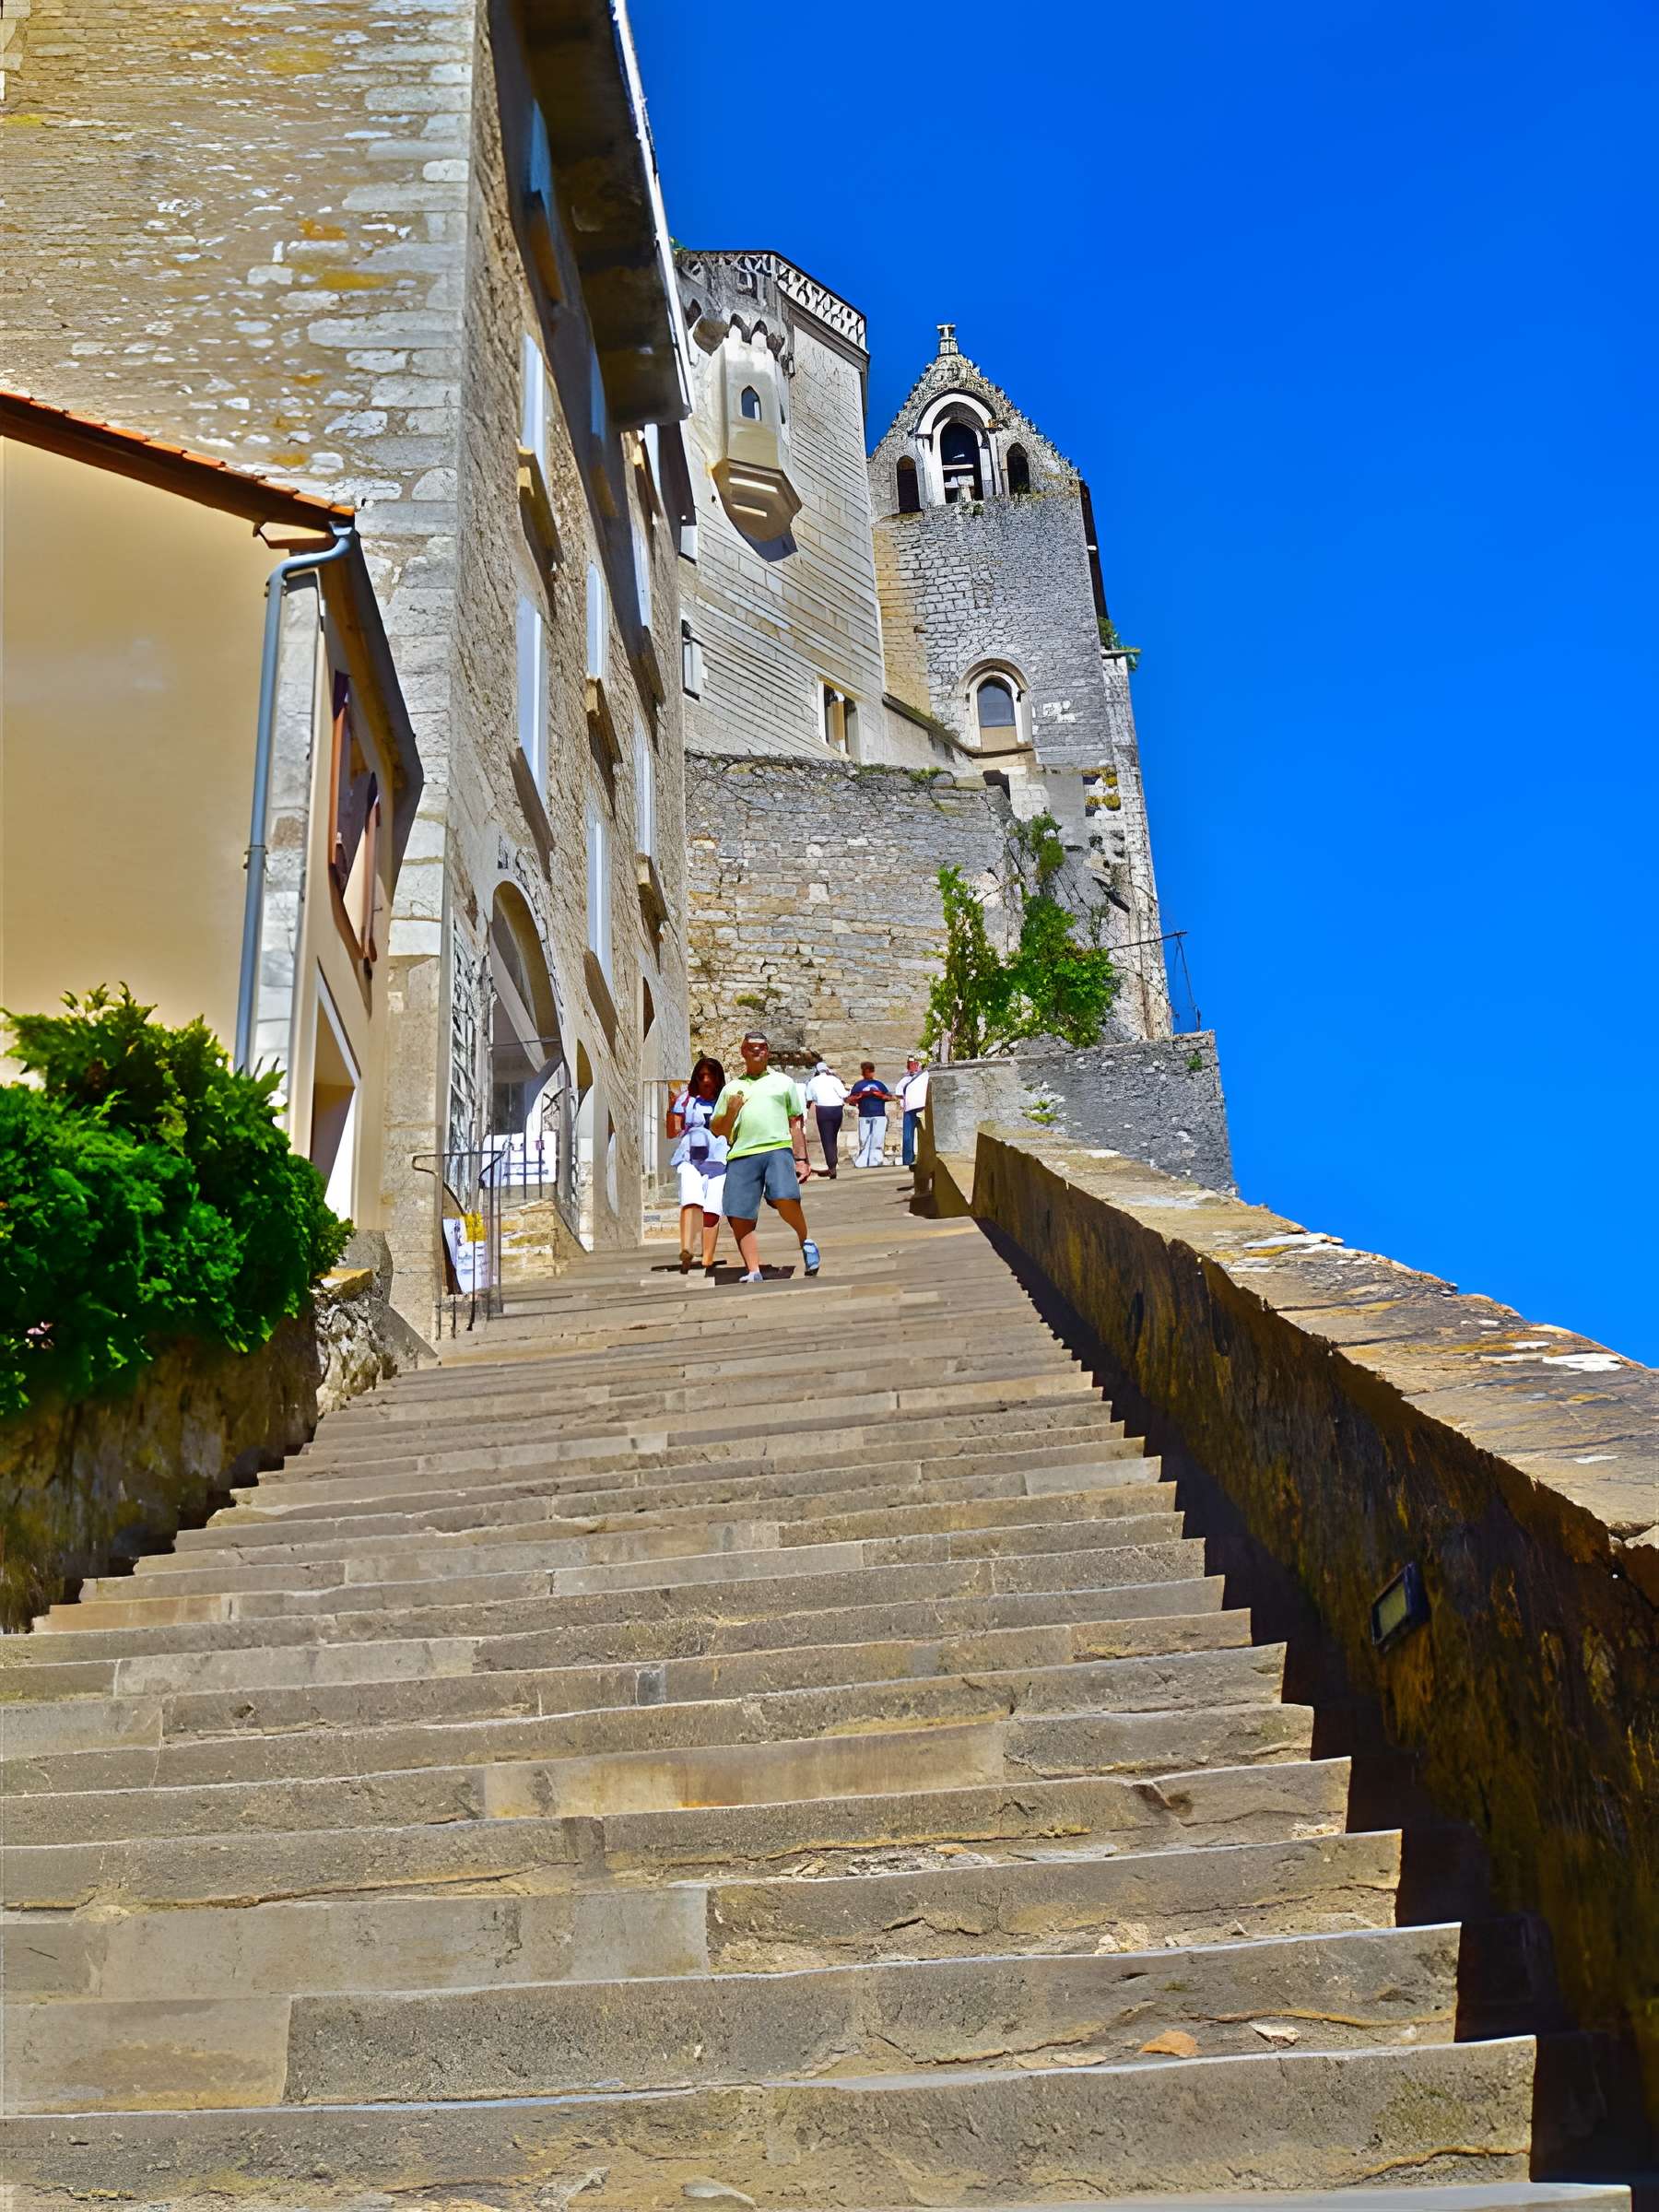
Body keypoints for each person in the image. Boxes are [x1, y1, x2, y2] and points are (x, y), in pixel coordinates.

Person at [710, 1030, 821, 1283]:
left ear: (768, 1052)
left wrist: (801, 1159)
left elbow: (795, 1121)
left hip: (777, 1147)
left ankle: (806, 1240)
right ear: (743, 1051)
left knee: (785, 1197)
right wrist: (732, 1110)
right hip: (742, 1152)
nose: (757, 1051)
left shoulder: (783, 1083)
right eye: (751, 1047)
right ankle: (753, 1270)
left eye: (762, 1047)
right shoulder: (732, 1088)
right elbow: (719, 1130)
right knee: (739, 1212)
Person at [665, 1055, 727, 1275]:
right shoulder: (685, 1100)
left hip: (718, 1159)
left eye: (711, 1076)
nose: (706, 1081)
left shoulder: (726, 1100)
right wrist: (671, 1110)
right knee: (691, 1200)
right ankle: (686, 1249)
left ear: (718, 1078)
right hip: (690, 1156)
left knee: (712, 1208)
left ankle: (707, 1258)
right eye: (702, 1076)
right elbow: (672, 1132)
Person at [803, 1058, 848, 1177]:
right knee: (833, 1136)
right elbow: (844, 1094)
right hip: (837, 1109)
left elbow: (809, 1098)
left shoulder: (813, 1081)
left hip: (823, 1110)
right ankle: (833, 1161)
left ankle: (832, 1165)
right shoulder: (834, 1080)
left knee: (827, 1138)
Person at [847, 1062, 896, 1169]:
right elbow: (850, 1100)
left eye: (870, 1071)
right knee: (864, 1139)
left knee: (877, 1139)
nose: (868, 1073)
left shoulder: (879, 1084)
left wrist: (879, 1095)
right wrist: (860, 1096)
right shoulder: (858, 1085)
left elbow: (890, 1097)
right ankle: (863, 1161)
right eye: (866, 1071)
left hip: (879, 1114)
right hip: (864, 1115)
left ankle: (876, 1160)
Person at [899, 1053, 930, 1169]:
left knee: (926, 1134)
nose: (914, 1065)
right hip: (910, 1108)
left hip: (923, 1107)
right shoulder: (905, 1079)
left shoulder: (927, 1075)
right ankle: (908, 1159)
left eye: (916, 1063)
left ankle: (926, 1159)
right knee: (908, 1135)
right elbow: (899, 1093)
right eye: (911, 1063)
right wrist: (903, 1104)